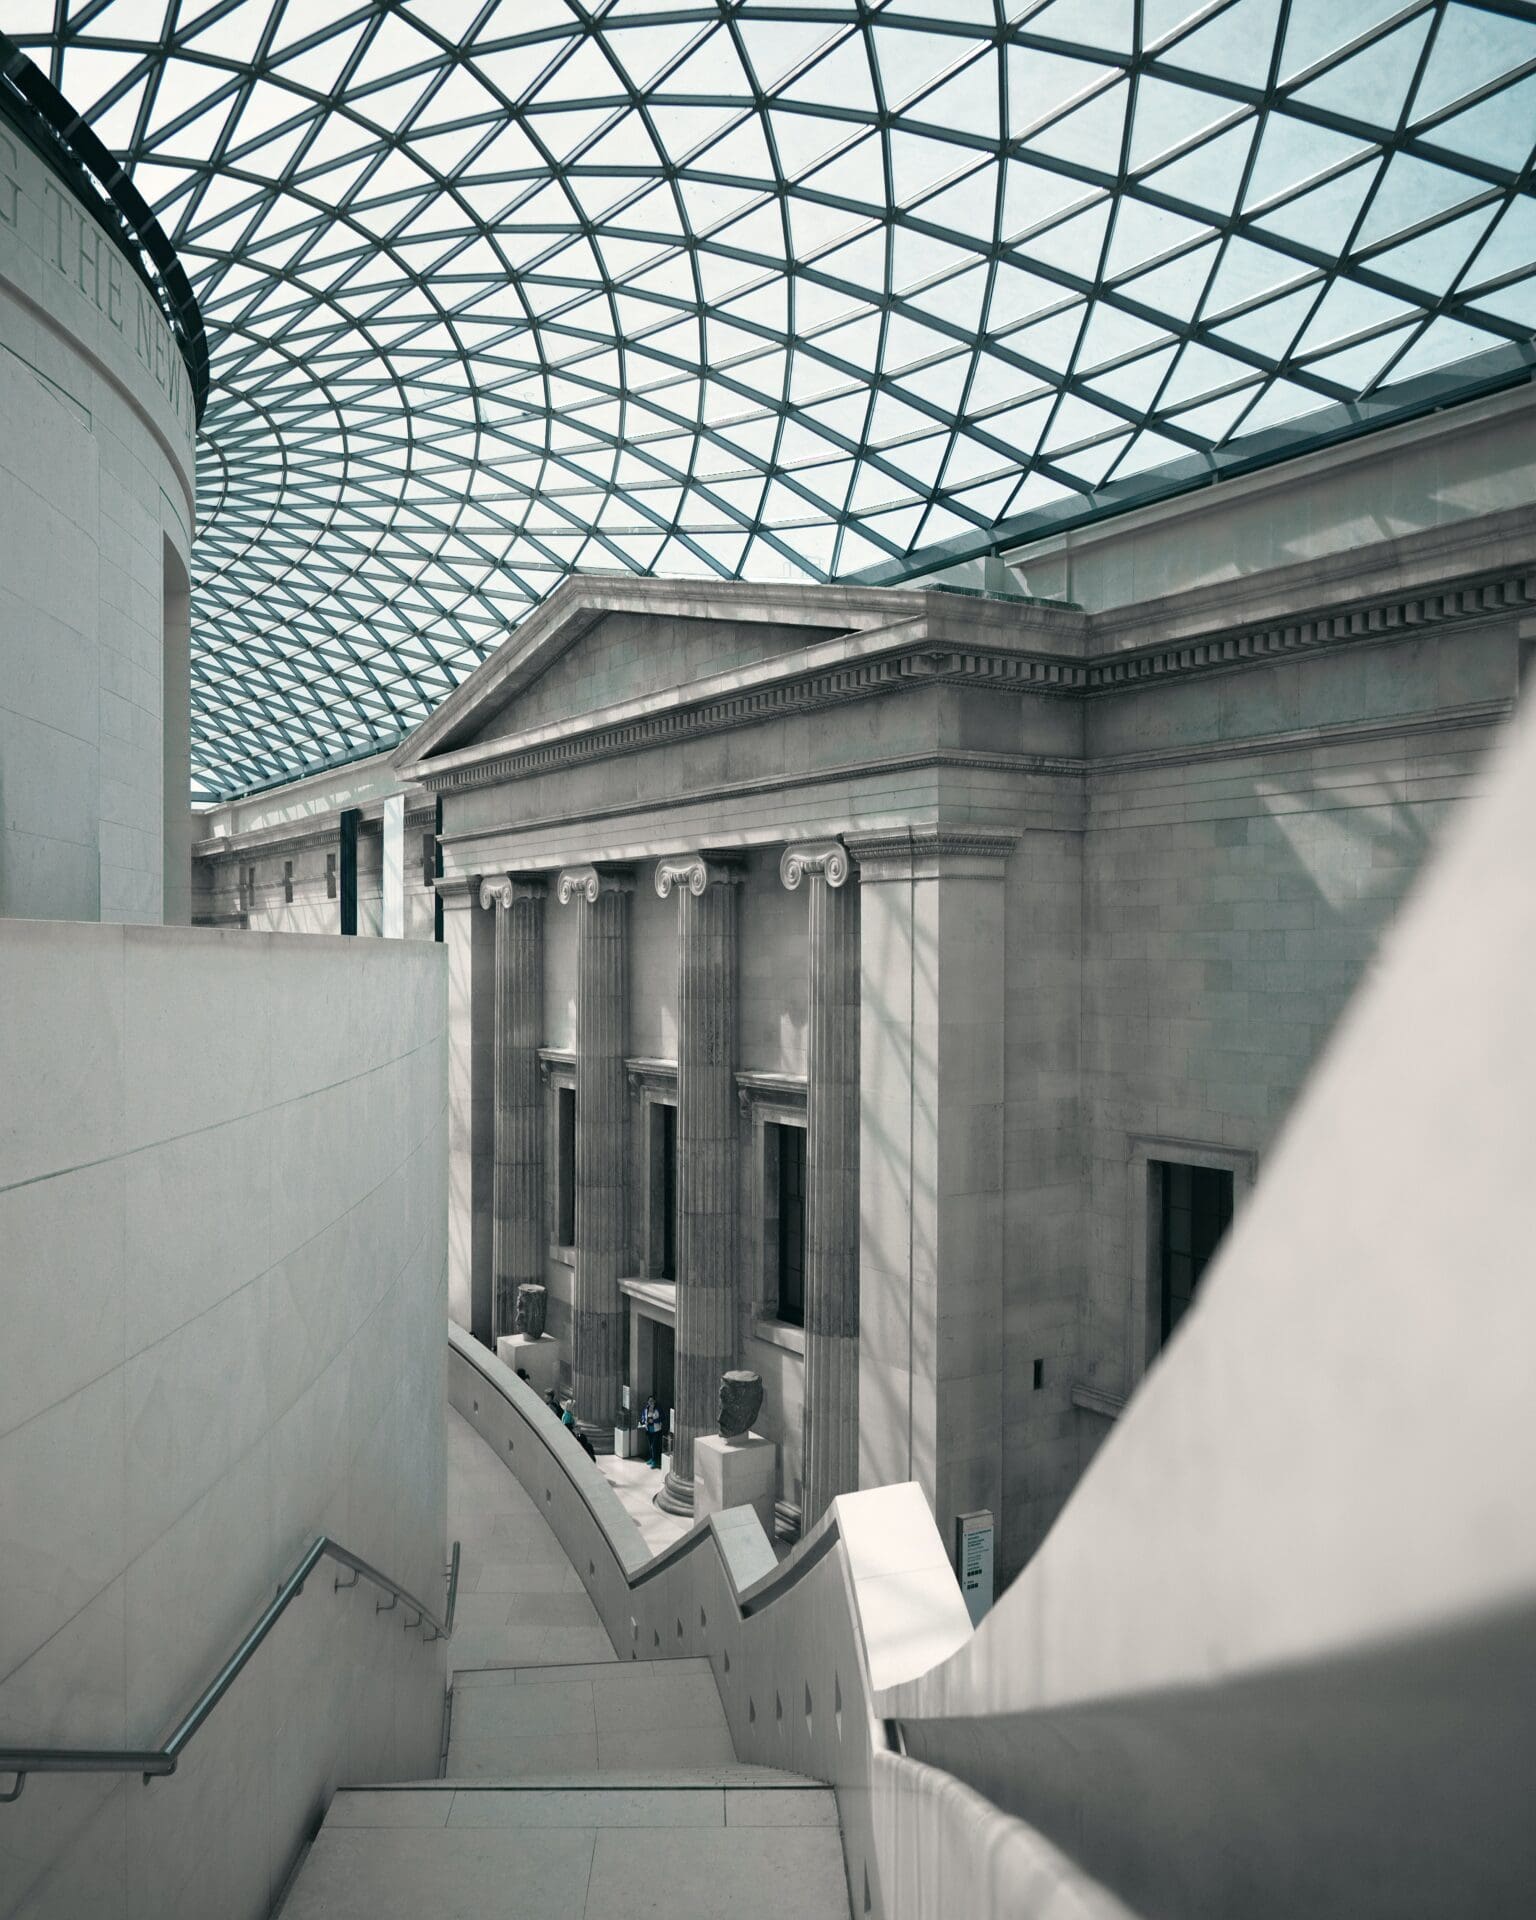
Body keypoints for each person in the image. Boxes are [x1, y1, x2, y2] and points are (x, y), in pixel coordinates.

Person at [638, 1395, 664, 1469]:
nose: (651, 1402)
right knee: (650, 1445)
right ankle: (651, 1458)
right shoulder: (646, 1409)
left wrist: (654, 1421)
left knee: (654, 1446)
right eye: (649, 1401)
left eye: (652, 1401)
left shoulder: (658, 1409)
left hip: (656, 1430)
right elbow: (643, 1416)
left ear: (654, 1401)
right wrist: (643, 1420)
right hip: (648, 1429)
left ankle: (655, 1461)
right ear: (647, 1402)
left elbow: (662, 1417)